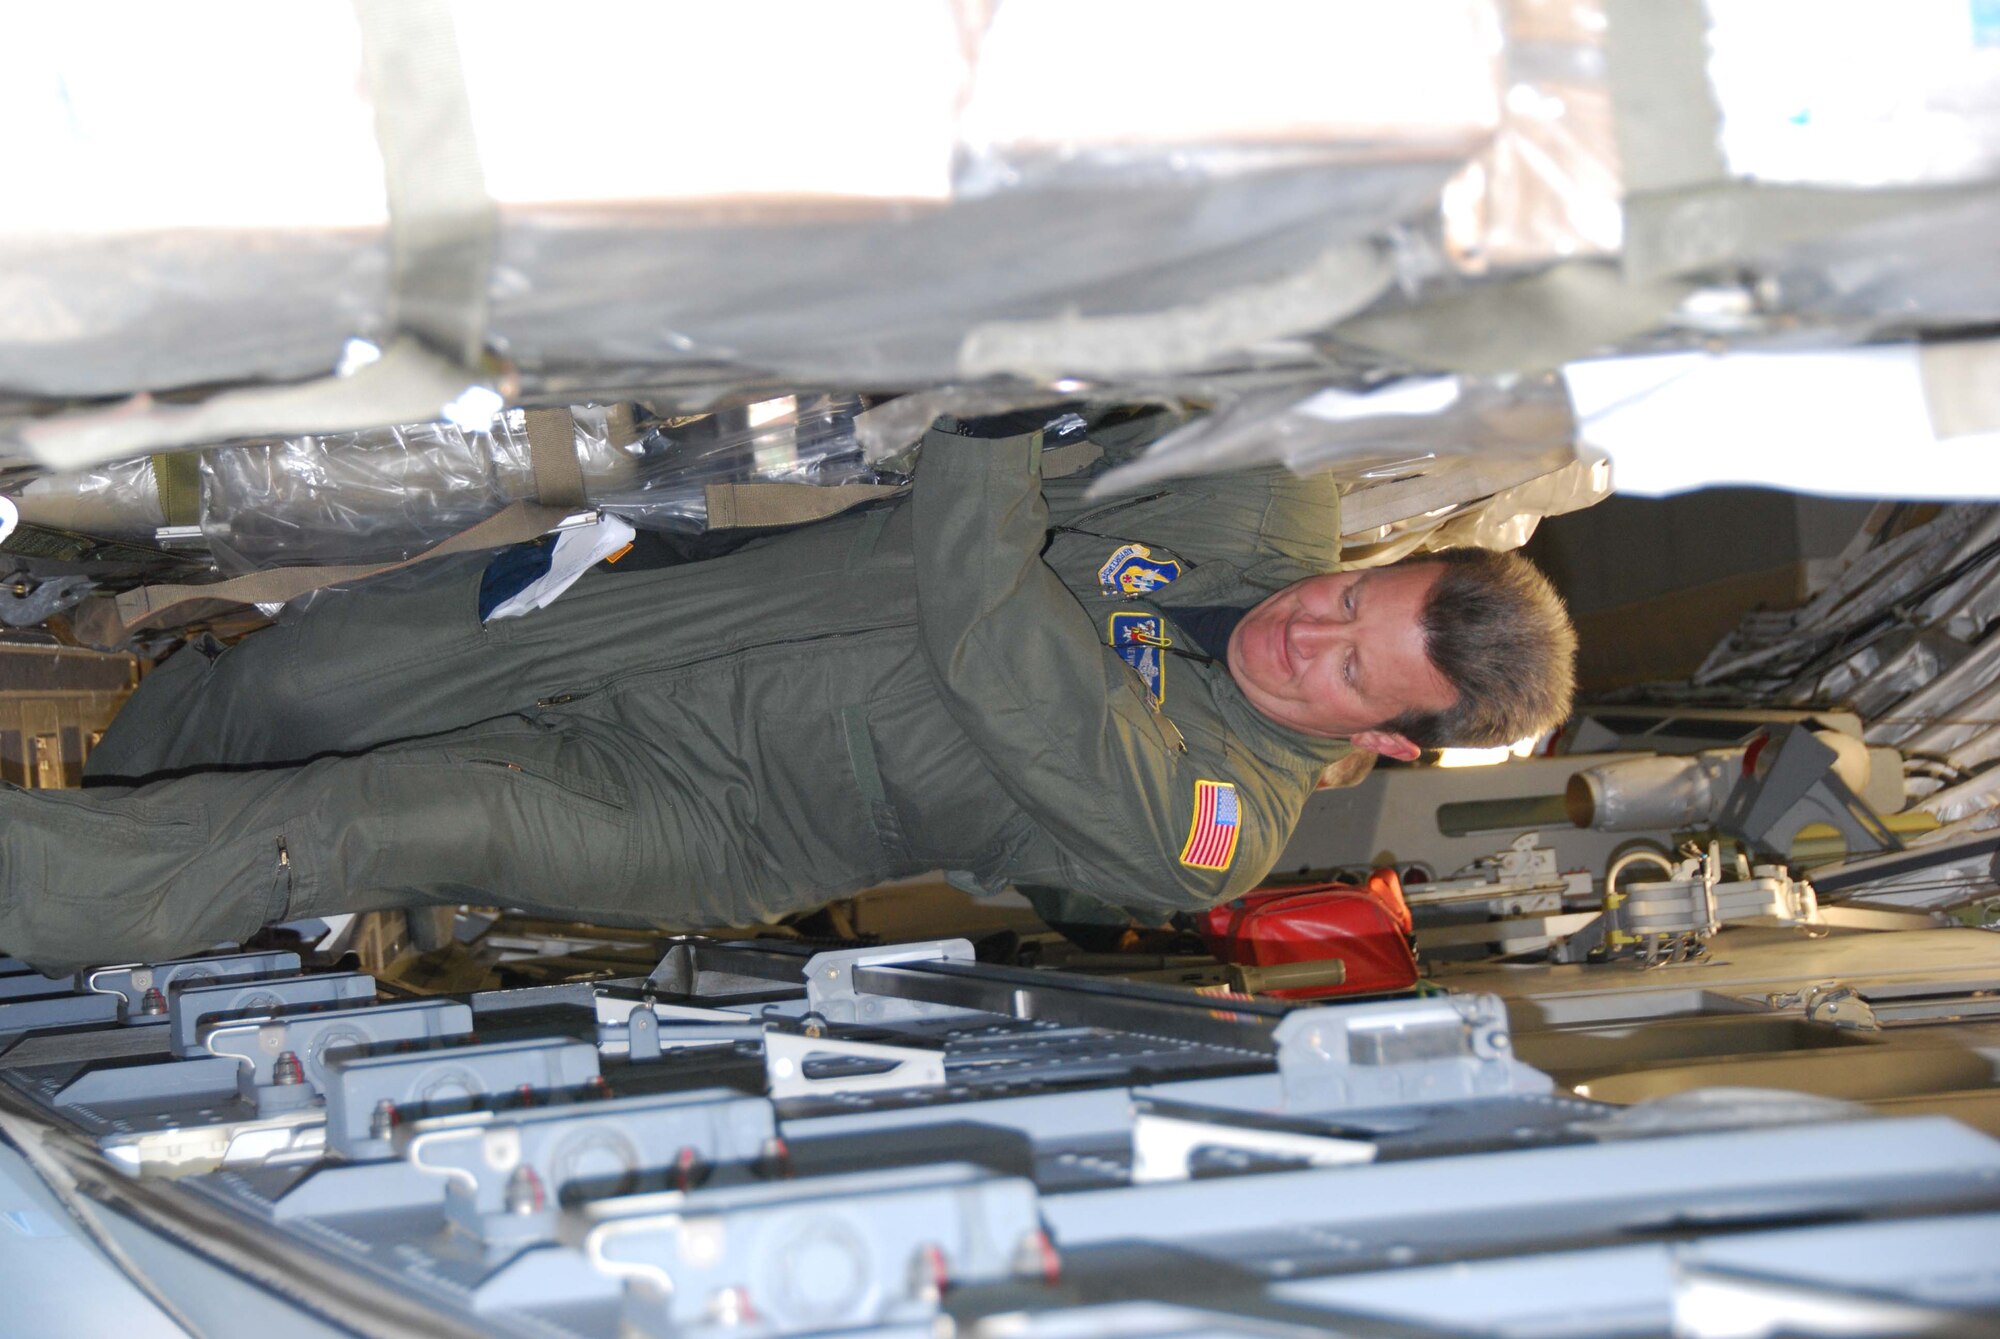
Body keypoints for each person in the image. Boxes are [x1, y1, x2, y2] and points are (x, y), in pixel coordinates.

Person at [0, 407, 1575, 973]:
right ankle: (113, 807)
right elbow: (1183, 389)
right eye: (1351, 599)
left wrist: (994, 432)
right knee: (301, 679)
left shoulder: (1212, 827)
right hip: (673, 613)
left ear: (1385, 741)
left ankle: (49, 884)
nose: (1304, 631)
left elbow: (993, 640)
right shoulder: (1268, 513)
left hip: (698, 813)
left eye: (1348, 668)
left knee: (339, 825)